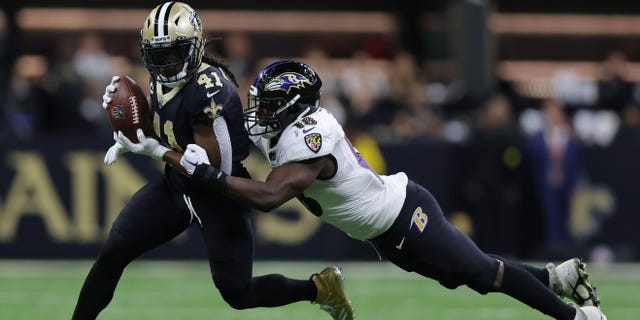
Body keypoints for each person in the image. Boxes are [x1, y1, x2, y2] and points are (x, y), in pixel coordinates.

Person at [180, 60, 607, 320]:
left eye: (269, 105)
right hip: (389, 232)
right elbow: (233, 122)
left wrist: (206, 177)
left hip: (405, 216)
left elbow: (270, 197)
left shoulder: (309, 137)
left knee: (485, 275)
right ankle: (558, 276)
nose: (261, 113)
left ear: (293, 107)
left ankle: (574, 316)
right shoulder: (286, 128)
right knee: (471, 273)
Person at [72, 3, 354, 320]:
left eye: (175, 52)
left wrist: (155, 150)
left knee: (239, 293)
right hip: (178, 187)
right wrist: (131, 123)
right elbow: (168, 129)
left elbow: (211, 172)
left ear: (195, 46)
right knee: (112, 254)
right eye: (159, 54)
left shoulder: (209, 91)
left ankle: (319, 288)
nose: (166, 64)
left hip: (222, 197)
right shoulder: (159, 78)